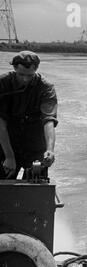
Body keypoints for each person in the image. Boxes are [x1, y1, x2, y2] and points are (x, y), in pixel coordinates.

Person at [0, 51, 58, 180]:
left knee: (37, 188)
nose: (25, 79)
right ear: (14, 68)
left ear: (36, 69)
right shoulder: (2, 83)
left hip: (35, 144)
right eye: (21, 74)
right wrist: (9, 156)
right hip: (6, 142)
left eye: (30, 75)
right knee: (3, 185)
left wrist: (50, 149)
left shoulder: (46, 88)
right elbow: (0, 123)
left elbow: (49, 120)